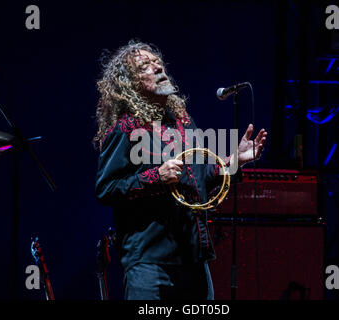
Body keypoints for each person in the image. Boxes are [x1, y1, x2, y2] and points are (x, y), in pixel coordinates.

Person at [94, 40, 267, 300]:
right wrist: (156, 177)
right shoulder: (126, 128)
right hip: (150, 262)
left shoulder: (183, 123)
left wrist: (234, 162)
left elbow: (200, 178)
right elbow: (106, 189)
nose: (157, 66)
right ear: (130, 83)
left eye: (157, 62)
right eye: (145, 66)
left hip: (193, 258)